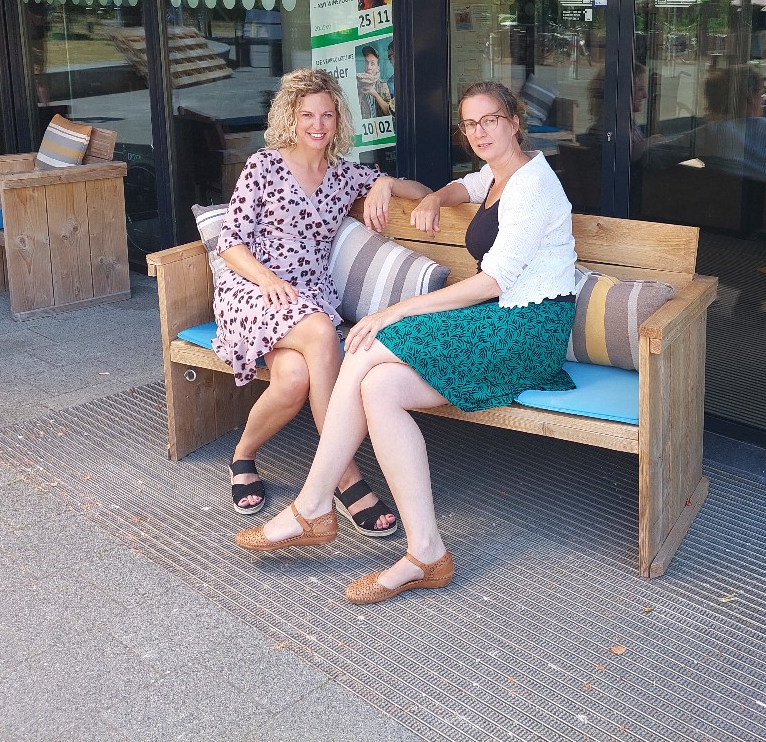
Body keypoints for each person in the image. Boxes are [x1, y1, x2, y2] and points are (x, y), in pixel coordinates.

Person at [235, 81, 578, 607]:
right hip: (503, 318)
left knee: (370, 343)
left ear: (514, 120)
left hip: (527, 329)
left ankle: (313, 506)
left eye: (490, 120)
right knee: (379, 388)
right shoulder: (502, 171)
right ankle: (427, 552)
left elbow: (492, 283)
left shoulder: (534, 185)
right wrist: (439, 196)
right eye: (470, 124)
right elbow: (466, 185)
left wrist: (395, 309)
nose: (480, 132)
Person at [213, 69, 431, 526]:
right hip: (254, 291)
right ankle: (346, 479)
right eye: (307, 114)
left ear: (338, 120)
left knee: (293, 380)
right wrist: (267, 279)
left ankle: (242, 455)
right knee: (318, 333)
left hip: (309, 296)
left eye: (327, 115)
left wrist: (384, 184)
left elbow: (423, 193)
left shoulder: (344, 175)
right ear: (290, 117)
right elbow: (230, 241)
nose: (317, 125)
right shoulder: (264, 165)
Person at [690, 65, 766, 187]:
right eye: (762, 93)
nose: (763, 100)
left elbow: (668, 151)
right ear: (750, 98)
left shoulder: (709, 134)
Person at [356, 44, 394, 118]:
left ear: (378, 68)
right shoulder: (356, 85)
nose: (368, 67)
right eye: (366, 63)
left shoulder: (383, 85)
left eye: (372, 63)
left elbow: (389, 112)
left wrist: (374, 94)